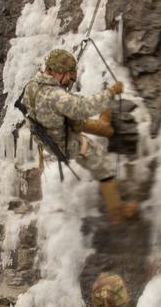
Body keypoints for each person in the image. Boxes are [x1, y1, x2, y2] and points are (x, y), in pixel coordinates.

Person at [22, 48, 137, 223]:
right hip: (64, 144)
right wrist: (111, 92)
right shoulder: (56, 96)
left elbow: (45, 106)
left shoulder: (31, 85)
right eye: (65, 74)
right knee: (102, 162)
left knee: (77, 121)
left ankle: (105, 128)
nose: (68, 79)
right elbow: (85, 107)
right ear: (53, 71)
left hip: (47, 136)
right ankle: (118, 213)